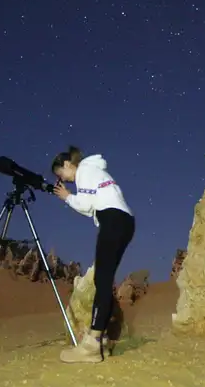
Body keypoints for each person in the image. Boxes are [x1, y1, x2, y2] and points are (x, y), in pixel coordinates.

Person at [51, 145, 135, 364]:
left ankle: (92, 345)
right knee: (104, 279)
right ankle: (100, 341)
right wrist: (71, 196)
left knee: (102, 280)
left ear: (68, 164)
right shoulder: (96, 171)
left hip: (113, 220)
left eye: (62, 174)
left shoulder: (85, 171)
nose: (66, 180)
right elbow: (90, 208)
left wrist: (67, 197)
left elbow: (86, 204)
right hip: (124, 221)